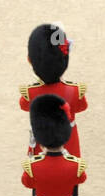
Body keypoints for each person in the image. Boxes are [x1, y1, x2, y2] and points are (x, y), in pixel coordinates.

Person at [20, 23, 88, 157]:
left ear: (30, 61)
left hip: (41, 141)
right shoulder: (74, 91)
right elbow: (82, 106)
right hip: (70, 143)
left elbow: (23, 105)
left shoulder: (31, 93)